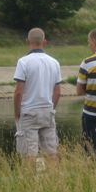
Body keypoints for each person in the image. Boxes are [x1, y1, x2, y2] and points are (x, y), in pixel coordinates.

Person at [13, 28, 62, 159]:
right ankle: (55, 178)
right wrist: (51, 108)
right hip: (48, 110)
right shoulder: (54, 62)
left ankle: (29, 179)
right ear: (44, 42)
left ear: (27, 41)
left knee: (29, 153)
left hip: (29, 112)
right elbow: (57, 92)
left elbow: (18, 92)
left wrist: (17, 113)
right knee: (51, 152)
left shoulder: (23, 62)